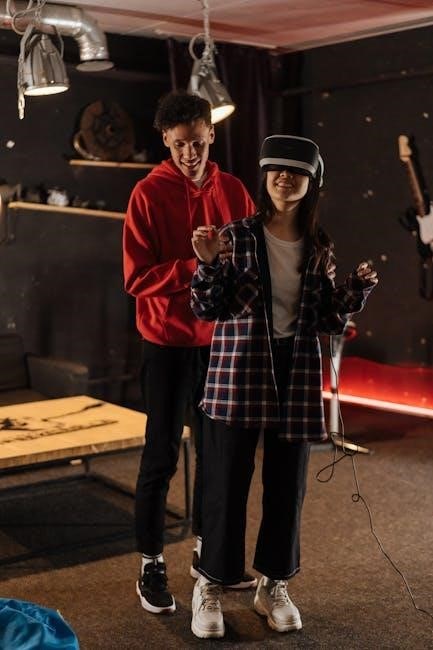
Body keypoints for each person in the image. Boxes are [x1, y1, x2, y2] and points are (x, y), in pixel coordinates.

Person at [189, 134, 378, 638]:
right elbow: (207, 308)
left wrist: (355, 289)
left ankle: (272, 583)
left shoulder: (319, 246)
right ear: (265, 176)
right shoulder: (237, 236)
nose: (285, 178)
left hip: (296, 371)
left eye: (296, 172)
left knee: (287, 485)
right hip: (238, 371)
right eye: (276, 169)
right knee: (226, 482)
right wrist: (207, 264)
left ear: (313, 182)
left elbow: (327, 319)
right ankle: (210, 582)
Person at [123, 90, 256, 615]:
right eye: (179, 144)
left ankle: (208, 555)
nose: (189, 153)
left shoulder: (236, 190)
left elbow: (251, 262)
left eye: (197, 142)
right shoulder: (146, 194)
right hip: (165, 343)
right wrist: (197, 265)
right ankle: (150, 564)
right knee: (160, 456)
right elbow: (136, 279)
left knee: (214, 457)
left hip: (218, 345)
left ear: (211, 134)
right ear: (165, 140)